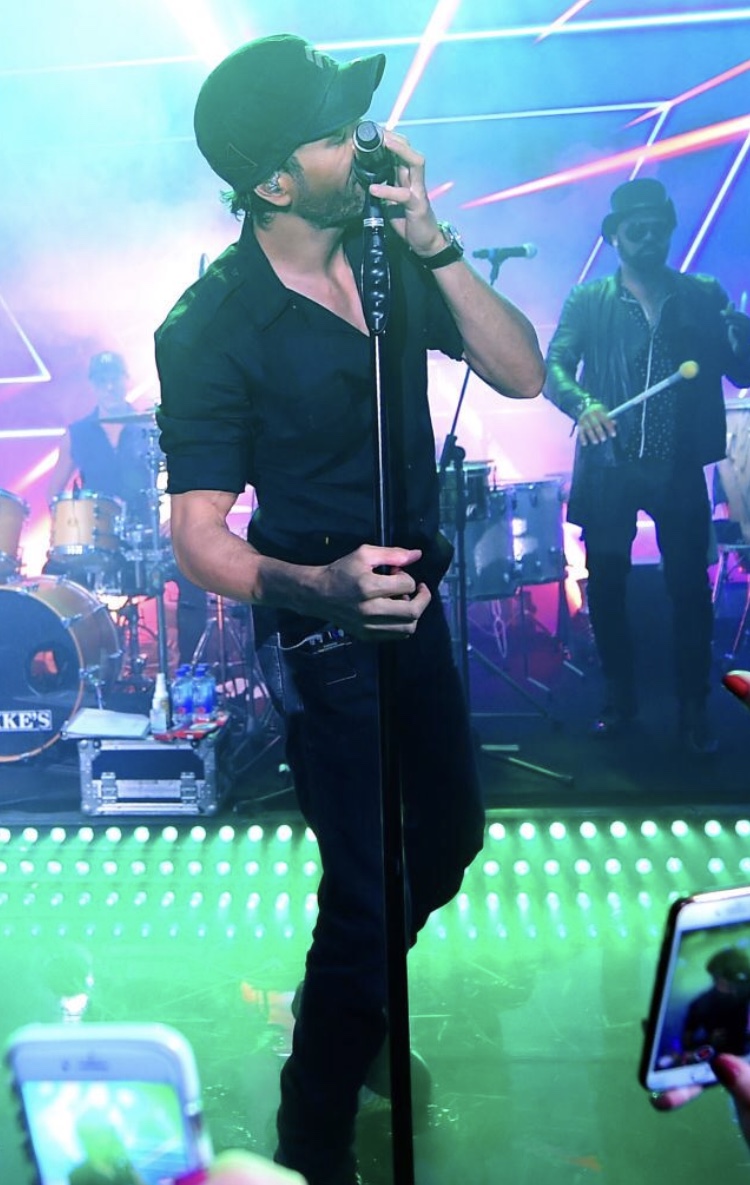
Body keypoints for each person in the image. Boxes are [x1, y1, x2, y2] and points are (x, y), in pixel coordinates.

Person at [155, 32, 544, 1185]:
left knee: (451, 839)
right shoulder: (211, 324)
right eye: (334, 134)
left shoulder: (391, 260)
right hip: (321, 623)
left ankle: (353, 1011)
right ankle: (311, 1137)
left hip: (413, 605)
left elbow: (522, 373)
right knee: (366, 897)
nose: (364, 145)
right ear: (274, 181)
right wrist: (316, 584)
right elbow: (198, 535)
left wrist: (434, 239)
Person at [545, 177, 750, 754]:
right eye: (638, 228)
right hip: (609, 465)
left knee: (690, 590)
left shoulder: (701, 294)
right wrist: (582, 404)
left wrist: (744, 338)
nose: (650, 237)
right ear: (615, 235)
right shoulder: (588, 300)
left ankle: (693, 708)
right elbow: (554, 366)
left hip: (678, 464)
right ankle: (620, 700)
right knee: (607, 586)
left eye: (659, 228)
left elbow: (741, 373)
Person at [46, 350, 206, 666]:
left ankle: (190, 670)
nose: (109, 386)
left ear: (125, 380)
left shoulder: (150, 427)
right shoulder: (77, 433)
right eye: (102, 380)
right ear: (93, 384)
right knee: (54, 578)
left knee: (194, 572)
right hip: (100, 539)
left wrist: (175, 514)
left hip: (147, 538)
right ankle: (78, 672)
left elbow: (189, 475)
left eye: (114, 378)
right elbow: (54, 494)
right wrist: (68, 527)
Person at [682, 947, 750, 1059]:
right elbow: (687, 1045)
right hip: (723, 1061)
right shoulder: (701, 1004)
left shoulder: (745, 992)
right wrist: (709, 1042)